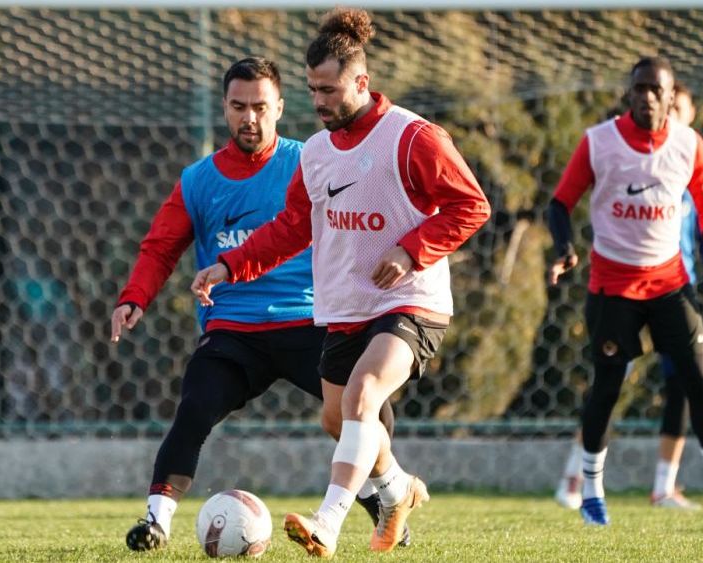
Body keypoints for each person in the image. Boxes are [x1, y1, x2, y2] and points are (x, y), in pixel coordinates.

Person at [192, 9, 490, 557]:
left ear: (361, 82)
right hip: (347, 307)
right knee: (340, 418)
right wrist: (231, 265)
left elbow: (471, 205)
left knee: (363, 395)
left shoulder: (412, 137)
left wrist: (410, 249)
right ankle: (398, 490)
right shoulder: (318, 153)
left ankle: (327, 523)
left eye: (328, 89)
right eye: (311, 89)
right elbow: (291, 228)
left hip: (410, 301)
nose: (319, 100)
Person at [111, 56, 401, 552]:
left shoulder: (313, 160)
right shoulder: (199, 180)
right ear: (224, 108)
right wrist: (134, 298)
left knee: (371, 410)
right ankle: (156, 522)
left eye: (260, 107)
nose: (250, 118)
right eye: (239, 106)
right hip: (233, 332)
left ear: (280, 108)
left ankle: (386, 503)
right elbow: (160, 247)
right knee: (194, 408)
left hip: (308, 321)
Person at [547, 56, 703, 526]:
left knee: (697, 380)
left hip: (669, 285)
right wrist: (564, 247)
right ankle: (591, 494)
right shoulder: (598, 143)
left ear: (669, 97)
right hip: (612, 286)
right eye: (637, 88)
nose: (645, 96)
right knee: (607, 385)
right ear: (629, 94)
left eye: (654, 90)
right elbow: (559, 204)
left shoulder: (688, 145)